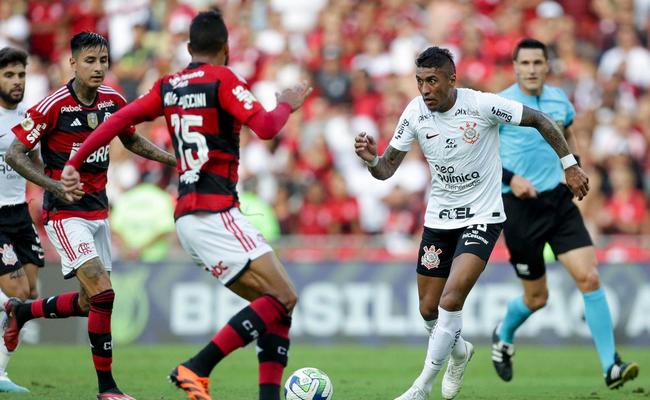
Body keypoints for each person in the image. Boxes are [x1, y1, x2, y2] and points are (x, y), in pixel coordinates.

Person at [61, 10, 311, 400]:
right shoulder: (223, 78)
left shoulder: (169, 85)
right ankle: (196, 368)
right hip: (217, 211)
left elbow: (113, 122)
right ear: (226, 49)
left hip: (188, 218)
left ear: (189, 48)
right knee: (285, 297)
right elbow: (265, 128)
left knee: (276, 305)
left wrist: (73, 163)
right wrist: (285, 104)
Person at [353, 46, 589, 400]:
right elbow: (387, 169)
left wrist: (569, 164)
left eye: (432, 81)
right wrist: (372, 160)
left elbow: (541, 119)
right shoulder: (415, 112)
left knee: (451, 300)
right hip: (439, 219)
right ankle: (460, 350)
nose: (425, 89)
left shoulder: (481, 105)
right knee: (428, 310)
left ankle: (421, 388)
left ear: (452, 79)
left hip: (482, 216)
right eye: (420, 81)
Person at [4, 32, 176, 400]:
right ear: (73, 63)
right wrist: (52, 187)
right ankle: (107, 390)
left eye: (103, 61)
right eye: (90, 61)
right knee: (104, 292)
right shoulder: (53, 106)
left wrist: (174, 159)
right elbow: (15, 154)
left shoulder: (113, 100)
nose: (98, 68)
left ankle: (22, 313)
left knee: (88, 301)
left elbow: (131, 140)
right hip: (65, 213)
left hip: (99, 210)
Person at [493, 38, 639, 389]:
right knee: (536, 298)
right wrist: (511, 180)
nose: (531, 69)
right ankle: (504, 333)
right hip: (519, 208)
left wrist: (573, 165)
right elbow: (480, 156)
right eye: (524, 63)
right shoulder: (500, 104)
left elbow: (569, 131)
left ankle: (611, 367)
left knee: (589, 277)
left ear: (547, 66)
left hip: (558, 202)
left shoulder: (559, 100)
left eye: (537, 63)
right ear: (515, 67)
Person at [0, 46, 44, 393]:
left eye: (21, 75)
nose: (17, 82)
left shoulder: (28, 118)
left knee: (29, 295)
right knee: (14, 291)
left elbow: (37, 162)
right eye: (9, 75)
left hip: (19, 211)